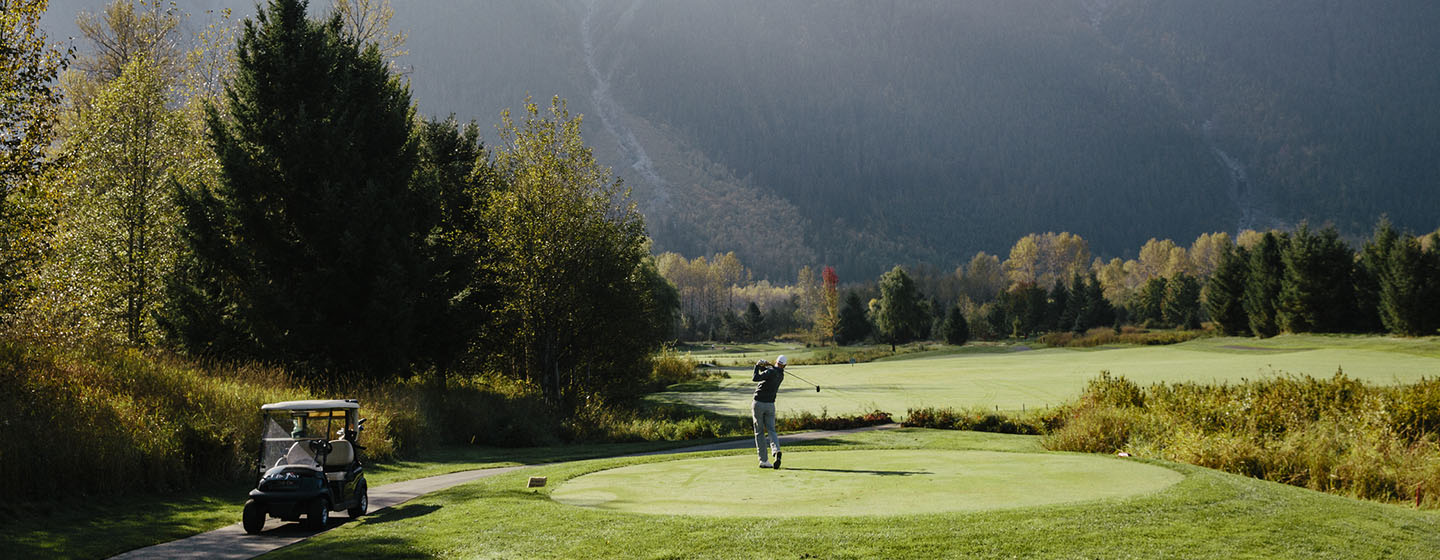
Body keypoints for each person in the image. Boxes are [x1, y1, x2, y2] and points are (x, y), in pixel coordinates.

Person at [752, 354, 786, 469]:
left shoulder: (771, 371)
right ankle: (776, 451)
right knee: (772, 430)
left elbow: (755, 378)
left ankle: (764, 461)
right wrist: (765, 366)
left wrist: (757, 366)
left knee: (759, 432)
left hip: (759, 403)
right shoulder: (781, 375)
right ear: (784, 365)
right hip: (770, 405)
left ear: (776, 361)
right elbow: (769, 373)